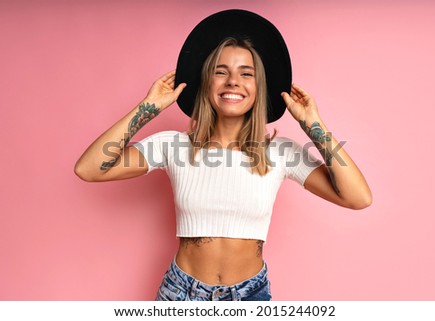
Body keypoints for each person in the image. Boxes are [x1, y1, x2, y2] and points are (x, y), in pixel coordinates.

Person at [74, 10, 372, 301]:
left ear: (259, 87)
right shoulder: (171, 146)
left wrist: (312, 124)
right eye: (221, 72)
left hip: (250, 295)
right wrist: (148, 107)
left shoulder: (280, 153)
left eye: (246, 74)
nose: (233, 81)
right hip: (180, 294)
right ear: (207, 83)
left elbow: (358, 197)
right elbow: (89, 169)